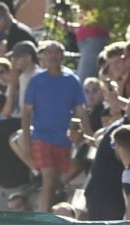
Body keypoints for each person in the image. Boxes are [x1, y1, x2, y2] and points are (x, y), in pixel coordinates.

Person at [21, 41, 85, 210]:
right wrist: (26, 141)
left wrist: (87, 133)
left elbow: (80, 109)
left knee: (56, 182)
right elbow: (26, 113)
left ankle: (52, 212)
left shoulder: (72, 80)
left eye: (57, 52)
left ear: (63, 56)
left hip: (64, 140)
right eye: (49, 52)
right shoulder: (36, 81)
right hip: (42, 137)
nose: (53, 56)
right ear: (43, 56)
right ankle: (45, 218)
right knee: (48, 178)